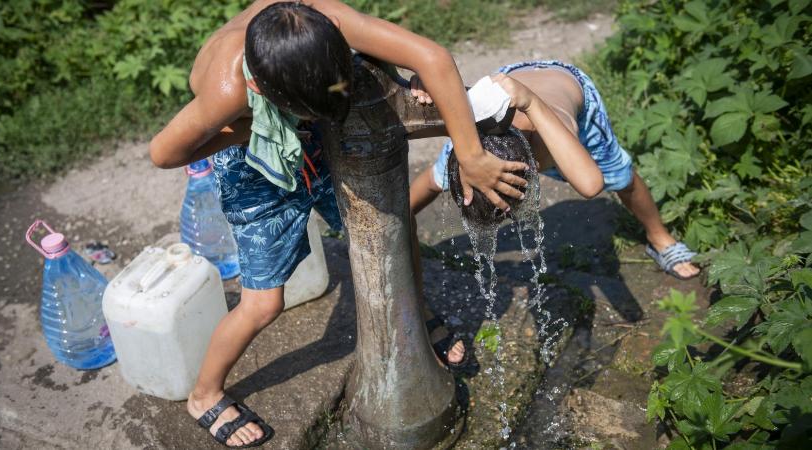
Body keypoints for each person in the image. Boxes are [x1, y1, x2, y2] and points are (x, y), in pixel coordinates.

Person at [149, 1, 529, 447]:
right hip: (254, 163)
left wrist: (471, 154)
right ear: (260, 90)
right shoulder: (229, 89)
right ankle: (204, 394)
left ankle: (414, 317)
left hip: (311, 123)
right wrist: (251, 127)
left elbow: (433, 57)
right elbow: (164, 153)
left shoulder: (323, 18)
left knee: (393, 224)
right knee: (264, 304)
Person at [409, 61, 700, 280]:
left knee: (622, 178)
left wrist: (530, 101)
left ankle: (660, 238)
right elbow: (416, 121)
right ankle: (403, 215)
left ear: (532, 171)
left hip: (562, 91)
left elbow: (590, 184)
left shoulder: (557, 136)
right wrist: (424, 89)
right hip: (500, 96)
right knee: (436, 178)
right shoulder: (467, 131)